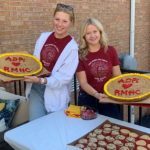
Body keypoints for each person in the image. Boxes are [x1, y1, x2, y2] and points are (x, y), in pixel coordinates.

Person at [24, 3, 78, 121]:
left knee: (53, 131)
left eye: (65, 21)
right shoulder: (43, 37)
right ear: (53, 18)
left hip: (55, 93)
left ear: (71, 23)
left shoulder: (72, 48)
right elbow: (35, 63)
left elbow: (64, 78)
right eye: (57, 19)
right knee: (35, 126)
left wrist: (42, 80)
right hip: (36, 89)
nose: (59, 24)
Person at [76, 18, 122, 119]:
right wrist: (97, 95)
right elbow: (83, 83)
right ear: (84, 36)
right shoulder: (80, 54)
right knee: (87, 132)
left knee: (112, 127)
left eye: (95, 31)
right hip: (88, 98)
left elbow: (117, 76)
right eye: (88, 33)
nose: (92, 36)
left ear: (100, 32)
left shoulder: (110, 50)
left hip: (108, 97)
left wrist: (111, 92)